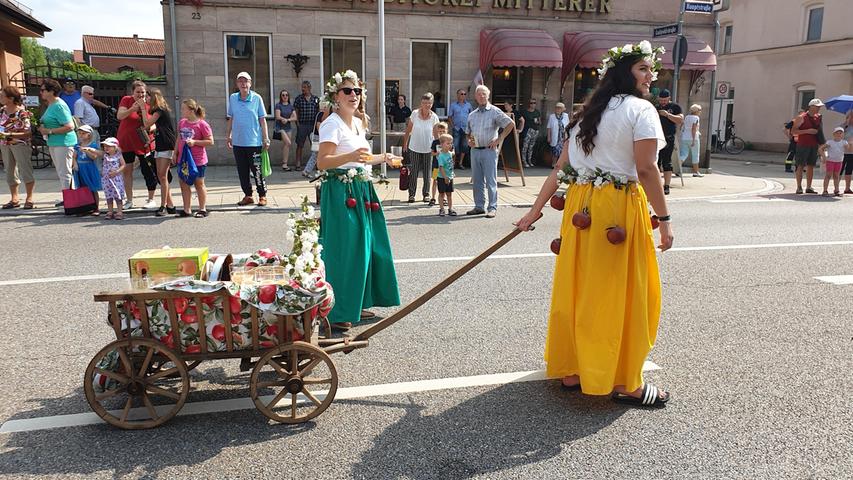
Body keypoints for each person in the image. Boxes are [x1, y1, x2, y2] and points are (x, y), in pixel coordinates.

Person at [516, 40, 673, 408]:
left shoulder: (587, 113)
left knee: (580, 285)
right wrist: (664, 220)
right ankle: (626, 382)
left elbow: (561, 169)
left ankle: (574, 370)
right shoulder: (641, 110)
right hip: (618, 206)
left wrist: (534, 211)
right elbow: (648, 169)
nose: (651, 76)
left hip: (581, 207)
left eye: (651, 69)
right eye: (643, 69)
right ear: (624, 73)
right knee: (620, 292)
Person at [316, 69, 400, 329]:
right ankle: (338, 311)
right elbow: (323, 162)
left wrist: (383, 158)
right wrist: (350, 155)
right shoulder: (331, 123)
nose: (354, 95)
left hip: (361, 188)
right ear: (336, 97)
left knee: (367, 247)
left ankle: (356, 303)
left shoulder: (359, 122)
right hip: (341, 191)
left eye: (358, 91)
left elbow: (361, 158)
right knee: (345, 250)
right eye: (348, 91)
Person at [465, 85, 515, 218]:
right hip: (475, 150)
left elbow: (510, 124)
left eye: (484, 94)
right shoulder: (472, 115)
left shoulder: (495, 111)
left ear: (488, 96)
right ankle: (479, 206)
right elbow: (467, 132)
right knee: (477, 180)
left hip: (489, 150)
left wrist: (499, 139)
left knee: (491, 180)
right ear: (475, 97)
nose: (481, 96)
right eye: (479, 94)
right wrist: (468, 141)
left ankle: (492, 207)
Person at [227, 71, 270, 207]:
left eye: (246, 81)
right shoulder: (233, 98)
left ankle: (262, 195)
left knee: (256, 170)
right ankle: (248, 195)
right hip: (238, 142)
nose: (243, 84)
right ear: (237, 84)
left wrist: (266, 138)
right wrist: (228, 135)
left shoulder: (257, 98)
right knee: (242, 171)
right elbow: (231, 118)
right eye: (240, 81)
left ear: (250, 84)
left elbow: (262, 120)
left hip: (254, 142)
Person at [116, 80, 159, 209]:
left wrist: (151, 127)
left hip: (143, 142)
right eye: (138, 92)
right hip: (126, 141)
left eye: (143, 92)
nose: (140, 95)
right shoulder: (127, 100)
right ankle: (129, 200)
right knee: (127, 171)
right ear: (132, 92)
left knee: (148, 170)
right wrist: (132, 109)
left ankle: (151, 199)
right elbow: (120, 116)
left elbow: (155, 122)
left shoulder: (150, 103)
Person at [38, 79, 77, 205]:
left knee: (64, 171)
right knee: (62, 170)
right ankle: (68, 195)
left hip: (63, 142)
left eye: (43, 90)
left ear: (51, 91)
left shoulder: (59, 105)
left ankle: (68, 198)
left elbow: (69, 126)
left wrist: (49, 131)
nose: (41, 92)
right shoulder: (51, 104)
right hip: (54, 142)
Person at [174, 98, 213, 218]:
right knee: (184, 183)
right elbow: (179, 138)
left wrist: (195, 142)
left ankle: (202, 209)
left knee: (199, 183)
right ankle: (187, 209)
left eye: (183, 109)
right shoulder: (182, 122)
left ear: (191, 110)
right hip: (184, 159)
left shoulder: (202, 124)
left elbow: (210, 141)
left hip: (198, 160)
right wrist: (175, 153)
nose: (181, 111)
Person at [0, 86, 35, 210]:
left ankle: (29, 197)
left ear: (10, 98)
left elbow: (28, 132)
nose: (0, 97)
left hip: (20, 144)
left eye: (2, 95)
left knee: (25, 169)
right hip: (5, 144)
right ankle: (14, 198)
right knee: (9, 171)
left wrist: (10, 134)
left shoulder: (21, 112)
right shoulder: (1, 111)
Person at [144, 88, 176, 216]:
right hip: (160, 144)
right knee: (162, 177)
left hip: (166, 144)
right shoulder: (159, 111)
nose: (145, 99)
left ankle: (163, 205)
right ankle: (170, 205)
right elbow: (154, 125)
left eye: (147, 97)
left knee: (162, 176)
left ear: (153, 98)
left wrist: (142, 108)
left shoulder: (160, 110)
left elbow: (146, 123)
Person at [402, 92, 439, 203]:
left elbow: (436, 135)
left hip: (428, 149)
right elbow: (408, 130)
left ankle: (426, 194)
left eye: (429, 103)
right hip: (414, 148)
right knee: (414, 172)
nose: (427, 105)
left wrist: (438, 149)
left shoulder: (434, 117)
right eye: (424, 103)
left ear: (432, 104)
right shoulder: (414, 114)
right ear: (421, 103)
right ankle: (411, 194)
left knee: (428, 173)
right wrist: (405, 144)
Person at [792, 98, 826, 194]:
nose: (819, 108)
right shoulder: (801, 117)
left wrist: (822, 143)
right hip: (803, 144)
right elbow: (793, 131)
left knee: (811, 165)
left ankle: (809, 187)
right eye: (817, 107)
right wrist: (807, 131)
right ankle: (799, 187)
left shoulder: (818, 117)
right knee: (800, 165)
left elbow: (820, 131)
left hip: (814, 144)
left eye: (820, 107)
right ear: (811, 106)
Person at [655, 89, 683, 195]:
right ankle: (657, 184)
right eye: (661, 100)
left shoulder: (675, 107)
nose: (663, 102)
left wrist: (667, 115)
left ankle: (666, 185)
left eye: (665, 100)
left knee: (667, 161)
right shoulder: (656, 107)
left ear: (669, 98)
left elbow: (680, 120)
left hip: (668, 137)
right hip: (656, 137)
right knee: (656, 162)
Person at [72, 125, 102, 216]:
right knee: (82, 188)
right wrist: (75, 163)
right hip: (80, 168)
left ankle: (96, 207)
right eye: (80, 133)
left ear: (89, 135)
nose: (81, 135)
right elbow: (74, 157)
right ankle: (85, 208)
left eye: (83, 133)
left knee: (92, 188)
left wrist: (87, 151)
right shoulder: (77, 146)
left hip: (89, 168)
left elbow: (94, 157)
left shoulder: (93, 145)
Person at [294, 80, 320, 170]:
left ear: (309, 88)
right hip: (302, 125)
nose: (303, 89)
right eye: (302, 87)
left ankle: (317, 164)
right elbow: (296, 112)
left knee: (315, 146)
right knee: (300, 145)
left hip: (312, 125)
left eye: (304, 87)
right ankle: (298, 164)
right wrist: (297, 123)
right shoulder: (299, 99)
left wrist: (317, 124)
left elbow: (318, 112)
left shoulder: (315, 99)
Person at [302, 100, 332, 178]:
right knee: (315, 155)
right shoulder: (321, 114)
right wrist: (323, 135)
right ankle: (307, 171)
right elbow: (318, 126)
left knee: (316, 155)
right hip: (318, 137)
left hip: (317, 136)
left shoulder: (319, 114)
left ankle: (311, 170)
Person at [100, 137, 126, 220]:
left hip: (116, 179)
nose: (106, 148)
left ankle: (119, 211)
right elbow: (97, 153)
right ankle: (110, 211)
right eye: (105, 146)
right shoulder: (105, 155)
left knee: (118, 195)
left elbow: (123, 165)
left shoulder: (118, 156)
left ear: (115, 147)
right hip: (107, 179)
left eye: (109, 146)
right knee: (109, 196)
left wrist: (117, 171)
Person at [447, 89, 472, 170]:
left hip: (466, 128)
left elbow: (472, 116)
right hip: (457, 128)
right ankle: (454, 163)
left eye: (465, 94)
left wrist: (470, 127)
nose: (463, 95)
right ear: (457, 95)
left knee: (464, 146)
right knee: (455, 145)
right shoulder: (453, 105)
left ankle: (460, 163)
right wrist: (453, 126)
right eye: (461, 94)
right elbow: (450, 116)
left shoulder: (468, 105)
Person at [820, 127, 849, 196]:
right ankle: (825, 190)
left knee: (836, 176)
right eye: (837, 133)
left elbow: (848, 148)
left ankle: (836, 190)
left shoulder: (844, 142)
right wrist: (824, 157)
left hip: (839, 161)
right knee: (828, 175)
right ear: (834, 134)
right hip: (830, 161)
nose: (839, 134)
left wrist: (848, 145)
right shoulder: (830, 142)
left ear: (843, 134)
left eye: (841, 133)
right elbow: (821, 149)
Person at [274, 89, 297, 171]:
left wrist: (288, 120)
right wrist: (283, 119)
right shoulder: (278, 105)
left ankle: (285, 164)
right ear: (281, 96)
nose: (285, 96)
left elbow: (295, 117)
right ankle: (284, 164)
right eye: (283, 95)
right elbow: (277, 116)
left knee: (287, 145)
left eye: (286, 95)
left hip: (288, 127)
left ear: (288, 96)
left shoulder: (291, 106)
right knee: (288, 142)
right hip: (280, 128)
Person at [679, 104, 703, 177]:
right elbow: (694, 129)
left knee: (683, 154)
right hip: (693, 138)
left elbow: (681, 127)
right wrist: (693, 140)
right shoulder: (696, 118)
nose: (700, 112)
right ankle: (696, 172)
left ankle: (678, 169)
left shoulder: (686, 117)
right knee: (695, 155)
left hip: (684, 138)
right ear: (696, 111)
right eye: (699, 110)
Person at [428, 122, 449, 207]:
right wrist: (436, 153)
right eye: (440, 131)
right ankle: (433, 197)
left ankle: (444, 198)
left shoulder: (449, 141)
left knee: (445, 181)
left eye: (443, 131)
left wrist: (448, 152)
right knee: (435, 180)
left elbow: (453, 152)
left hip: (445, 166)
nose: (441, 133)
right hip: (436, 165)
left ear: (447, 131)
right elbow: (432, 153)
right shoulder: (435, 142)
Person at [436, 133, 456, 217]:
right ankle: (442, 209)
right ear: (442, 144)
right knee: (441, 194)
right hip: (442, 177)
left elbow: (453, 153)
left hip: (450, 177)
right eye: (448, 143)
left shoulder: (450, 153)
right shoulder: (441, 156)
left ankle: (450, 209)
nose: (450, 145)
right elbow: (441, 168)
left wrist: (451, 174)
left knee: (449, 194)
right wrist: (445, 177)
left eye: (451, 143)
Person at [519, 99, 542, 168]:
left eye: (534, 103)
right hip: (528, 130)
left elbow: (540, 122)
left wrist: (537, 121)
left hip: (535, 130)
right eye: (531, 103)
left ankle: (529, 160)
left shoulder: (537, 112)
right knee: (525, 146)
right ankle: (524, 161)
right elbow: (521, 121)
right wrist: (520, 129)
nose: (533, 104)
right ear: (529, 104)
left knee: (531, 146)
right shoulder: (525, 112)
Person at [547, 102, 570, 167]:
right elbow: (549, 127)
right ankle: (554, 164)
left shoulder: (566, 116)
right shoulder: (552, 116)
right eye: (557, 108)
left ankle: (560, 164)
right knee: (555, 151)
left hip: (563, 137)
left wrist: (567, 136)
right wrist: (549, 137)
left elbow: (567, 126)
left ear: (563, 109)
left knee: (562, 151)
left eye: (559, 108)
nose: (558, 109)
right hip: (555, 136)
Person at [839, 110, 853, 194]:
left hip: (852, 152)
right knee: (839, 169)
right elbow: (839, 135)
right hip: (843, 152)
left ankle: (847, 188)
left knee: (849, 170)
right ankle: (836, 187)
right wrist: (846, 125)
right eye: (850, 117)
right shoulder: (843, 126)